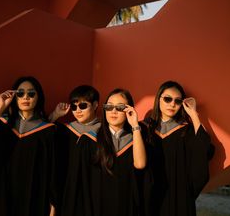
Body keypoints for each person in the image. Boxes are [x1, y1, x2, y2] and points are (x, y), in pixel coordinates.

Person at [69, 88, 147, 216]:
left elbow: (140, 164)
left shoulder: (136, 140)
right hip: (95, 208)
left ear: (129, 110)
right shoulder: (88, 140)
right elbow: (78, 184)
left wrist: (135, 126)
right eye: (109, 107)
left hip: (126, 207)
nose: (113, 111)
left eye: (120, 107)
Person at [143, 80, 214, 216]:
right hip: (150, 196)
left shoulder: (186, 131)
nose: (172, 104)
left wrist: (193, 114)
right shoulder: (144, 128)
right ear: (159, 99)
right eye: (168, 99)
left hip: (179, 197)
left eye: (178, 101)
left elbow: (205, 150)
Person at [0, 76, 56, 216]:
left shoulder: (48, 131)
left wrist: (52, 210)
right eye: (20, 93)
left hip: (35, 199)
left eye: (31, 93)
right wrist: (0, 106)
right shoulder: (4, 124)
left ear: (38, 97)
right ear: (15, 97)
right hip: (3, 195)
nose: (26, 97)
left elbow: (53, 173)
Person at [48, 85, 100, 215]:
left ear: (95, 105)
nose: (78, 110)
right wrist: (55, 115)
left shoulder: (103, 133)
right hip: (66, 192)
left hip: (91, 193)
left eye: (83, 106)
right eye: (74, 106)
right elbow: (42, 139)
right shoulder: (66, 130)